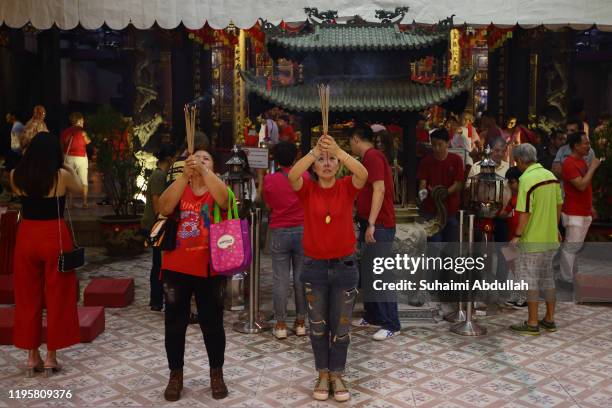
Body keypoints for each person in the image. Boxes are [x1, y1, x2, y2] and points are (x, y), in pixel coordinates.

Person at [287, 134, 368, 403]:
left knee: (341, 327)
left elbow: (363, 173)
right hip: (315, 268)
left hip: (345, 267)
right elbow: (292, 175)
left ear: (339, 164)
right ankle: (322, 373)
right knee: (318, 326)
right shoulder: (307, 189)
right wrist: (315, 152)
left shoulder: (347, 186)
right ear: (314, 166)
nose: (326, 163)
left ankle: (338, 374)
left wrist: (338, 150)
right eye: (322, 160)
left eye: (331, 159)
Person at [158, 146, 230, 401]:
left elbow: (225, 200)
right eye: (195, 158)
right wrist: (182, 176)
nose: (199, 161)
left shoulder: (216, 186)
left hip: (210, 268)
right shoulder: (180, 186)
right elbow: (164, 208)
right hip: (176, 268)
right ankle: (175, 375)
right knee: (174, 325)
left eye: (206, 159)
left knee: (213, 325)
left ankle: (216, 374)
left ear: (213, 166)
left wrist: (205, 173)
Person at [10, 132, 83, 377]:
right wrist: (67, 166)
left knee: (27, 296)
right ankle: (51, 356)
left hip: (27, 236)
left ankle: (32, 357)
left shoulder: (15, 175)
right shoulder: (60, 175)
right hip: (55, 236)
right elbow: (79, 187)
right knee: (58, 296)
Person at [347, 126, 401, 341]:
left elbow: (379, 189)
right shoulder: (370, 157)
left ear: (356, 138)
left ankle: (391, 323)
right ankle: (373, 316)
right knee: (369, 273)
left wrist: (371, 223)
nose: (349, 145)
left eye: (350, 141)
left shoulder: (372, 157)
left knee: (381, 275)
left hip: (379, 225)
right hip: (371, 223)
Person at [509, 143, 563, 335]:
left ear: (522, 161)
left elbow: (524, 212)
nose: (518, 166)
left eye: (517, 162)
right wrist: (555, 228)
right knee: (548, 279)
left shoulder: (526, 179)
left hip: (532, 239)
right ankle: (549, 319)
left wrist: (517, 236)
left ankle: (532, 322)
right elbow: (558, 205)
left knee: (531, 281)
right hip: (550, 238)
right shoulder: (551, 177)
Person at [263, 142, 308, 339]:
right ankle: (300, 322)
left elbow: (267, 204)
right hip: (302, 230)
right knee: (300, 278)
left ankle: (280, 324)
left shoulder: (269, 180)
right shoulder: (304, 176)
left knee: (280, 279)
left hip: (279, 230)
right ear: (296, 157)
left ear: (276, 159)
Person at [558, 132, 602, 287]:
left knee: (575, 246)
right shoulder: (569, 163)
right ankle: (566, 279)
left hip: (583, 211)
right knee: (571, 246)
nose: (588, 146)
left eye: (588, 143)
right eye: (585, 143)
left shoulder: (582, 162)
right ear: (576, 146)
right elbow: (581, 185)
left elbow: (587, 187)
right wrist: (593, 168)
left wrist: (591, 207)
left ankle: (570, 275)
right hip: (573, 212)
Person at [141, 144, 177, 312]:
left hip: (157, 223)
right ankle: (156, 300)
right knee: (158, 264)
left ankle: (157, 299)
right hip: (154, 224)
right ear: (170, 159)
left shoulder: (162, 175)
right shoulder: (158, 176)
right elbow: (157, 206)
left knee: (159, 264)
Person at [417, 128, 464, 242]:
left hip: (450, 211)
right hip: (431, 212)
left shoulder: (456, 160)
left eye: (440, 144)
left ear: (448, 143)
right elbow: (422, 183)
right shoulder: (426, 162)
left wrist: (444, 192)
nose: (436, 148)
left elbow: (458, 184)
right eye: (433, 145)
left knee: (450, 247)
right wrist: (422, 194)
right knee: (435, 246)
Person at [466, 137, 511, 241]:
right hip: (480, 213)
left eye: (503, 151)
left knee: (503, 247)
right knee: (480, 247)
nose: (500, 153)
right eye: (497, 150)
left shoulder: (509, 168)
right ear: (490, 150)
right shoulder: (477, 167)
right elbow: (467, 190)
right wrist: (480, 179)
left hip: (502, 215)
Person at [499, 166, 526, 309]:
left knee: (520, 268)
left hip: (521, 238)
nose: (510, 185)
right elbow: (504, 213)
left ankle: (524, 297)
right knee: (512, 267)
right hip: (511, 237)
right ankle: (515, 295)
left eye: (513, 182)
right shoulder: (512, 199)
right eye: (509, 182)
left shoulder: (525, 197)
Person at [60, 112, 92, 208]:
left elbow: (62, 144)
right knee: (84, 180)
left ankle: (71, 203)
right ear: (78, 121)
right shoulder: (82, 131)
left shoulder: (65, 131)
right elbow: (88, 141)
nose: (83, 121)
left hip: (68, 157)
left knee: (70, 180)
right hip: (81, 157)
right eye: (82, 120)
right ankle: (85, 202)